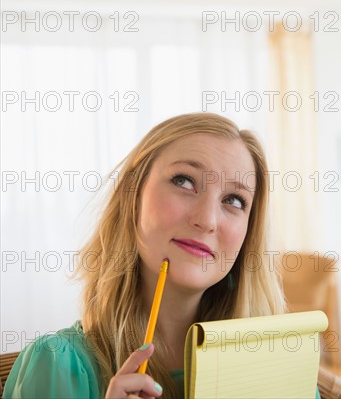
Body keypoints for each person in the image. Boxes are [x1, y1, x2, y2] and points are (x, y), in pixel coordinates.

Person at [3, 112, 321, 399]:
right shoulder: (58, 366)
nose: (207, 220)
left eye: (235, 201)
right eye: (184, 181)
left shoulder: (278, 366)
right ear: (133, 194)